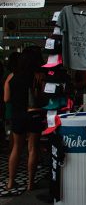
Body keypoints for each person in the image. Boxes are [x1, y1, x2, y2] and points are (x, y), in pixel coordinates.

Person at [7, 46, 47, 191]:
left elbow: (6, 98)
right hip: (34, 114)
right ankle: (30, 183)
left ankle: (11, 182)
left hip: (17, 115)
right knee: (33, 148)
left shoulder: (12, 76)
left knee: (16, 148)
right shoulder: (39, 76)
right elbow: (43, 96)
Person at [3, 51, 21, 151]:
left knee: (13, 138)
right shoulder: (12, 75)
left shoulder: (7, 74)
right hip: (13, 109)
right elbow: (6, 98)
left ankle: (12, 156)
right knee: (15, 140)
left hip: (10, 110)